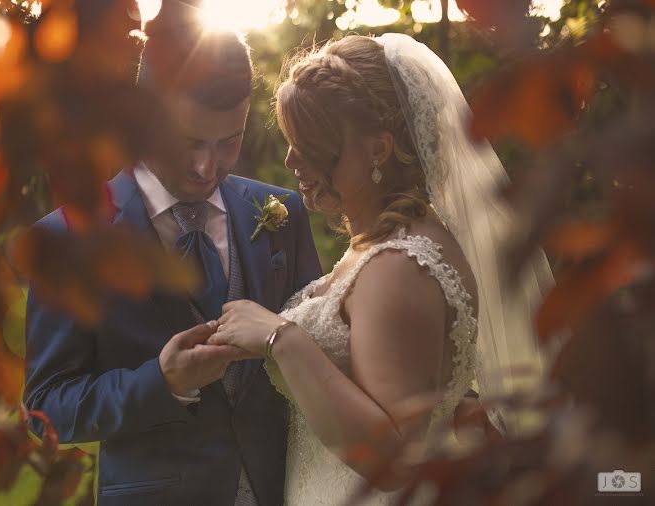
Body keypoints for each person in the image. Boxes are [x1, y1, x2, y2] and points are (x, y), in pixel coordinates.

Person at [207, 33, 554, 504]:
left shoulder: (398, 267)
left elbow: (392, 460)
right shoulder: (390, 244)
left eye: (313, 144)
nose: (292, 160)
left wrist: (280, 339)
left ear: (379, 149)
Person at [22, 11, 322, 506]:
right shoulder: (69, 239)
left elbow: (322, 346)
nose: (208, 167)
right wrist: (160, 383)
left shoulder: (282, 215)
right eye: (188, 142)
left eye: (229, 141)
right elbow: (45, 409)